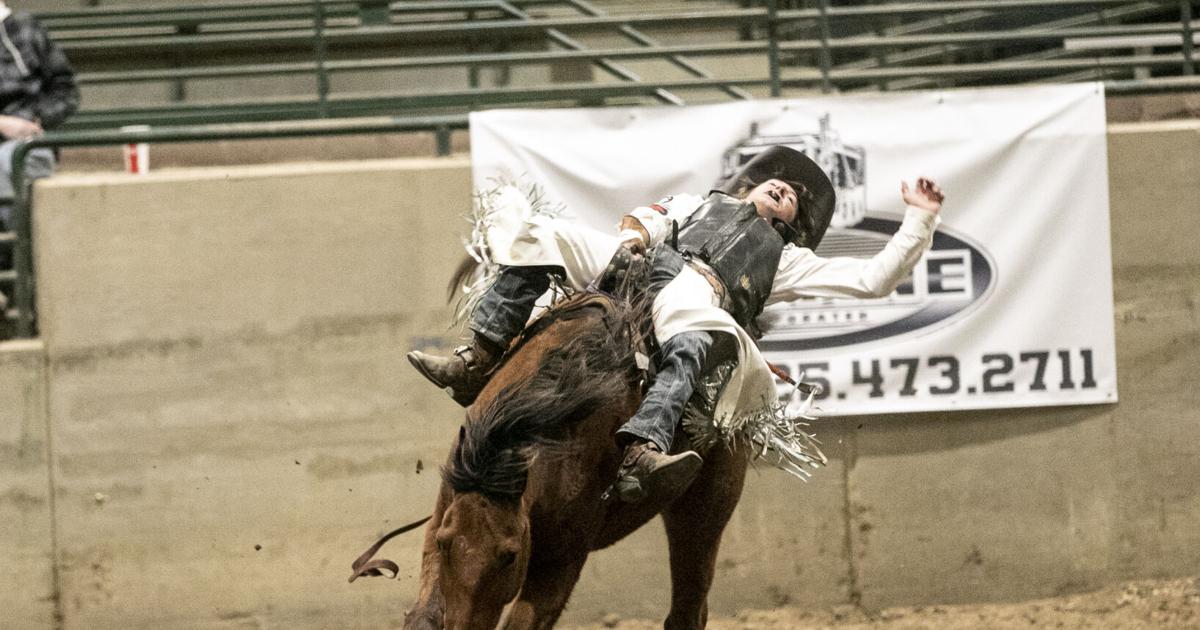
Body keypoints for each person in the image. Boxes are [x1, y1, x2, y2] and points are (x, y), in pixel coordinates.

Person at [409, 146, 943, 503]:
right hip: (637, 266)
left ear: (793, 224)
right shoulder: (698, 205)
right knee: (543, 235)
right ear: (750, 188)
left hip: (696, 295)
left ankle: (643, 449)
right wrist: (636, 237)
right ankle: (478, 359)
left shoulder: (788, 260)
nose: (786, 190)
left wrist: (920, 217)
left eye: (794, 199)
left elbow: (874, 278)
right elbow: (649, 219)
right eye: (778, 184)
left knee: (698, 332)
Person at [0, 1, 79, 320]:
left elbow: (66, 93)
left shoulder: (27, 30)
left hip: (25, 145)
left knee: (8, 167)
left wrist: (33, 119)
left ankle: (12, 289)